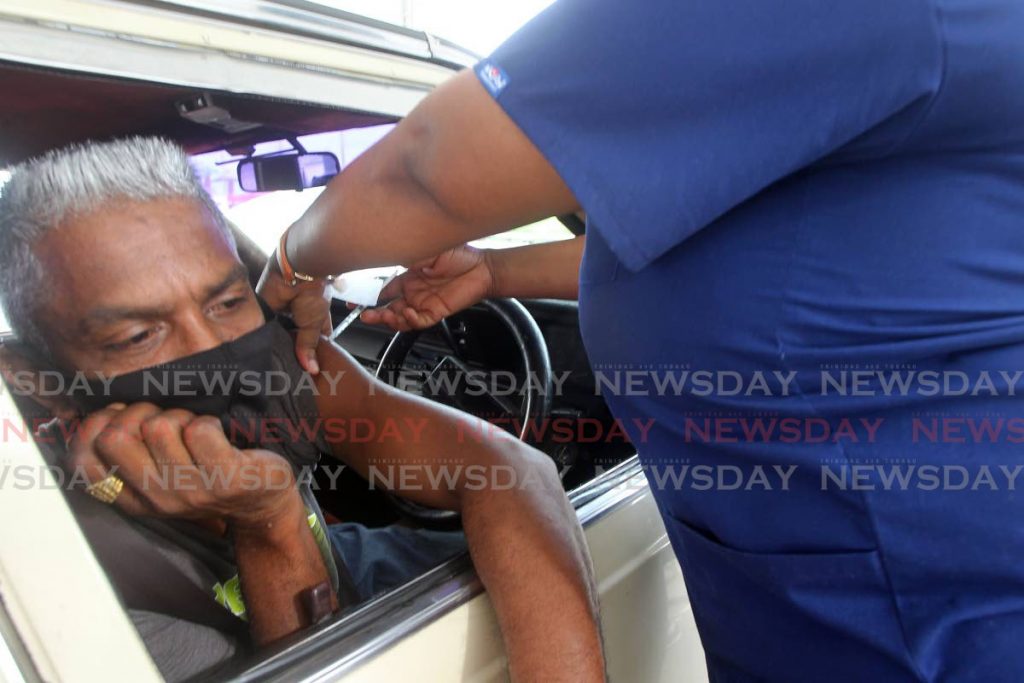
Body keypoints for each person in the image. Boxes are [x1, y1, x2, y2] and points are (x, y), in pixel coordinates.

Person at [258, 0, 1024, 680]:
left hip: (921, 603)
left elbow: (426, 169)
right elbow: (763, 241)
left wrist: (291, 264)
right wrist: (493, 272)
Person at [0, 138, 604, 682]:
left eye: (227, 301)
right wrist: (268, 522)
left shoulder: (285, 361)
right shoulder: (60, 588)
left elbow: (508, 469)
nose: (214, 351)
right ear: (37, 380)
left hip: (350, 565)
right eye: (138, 337)